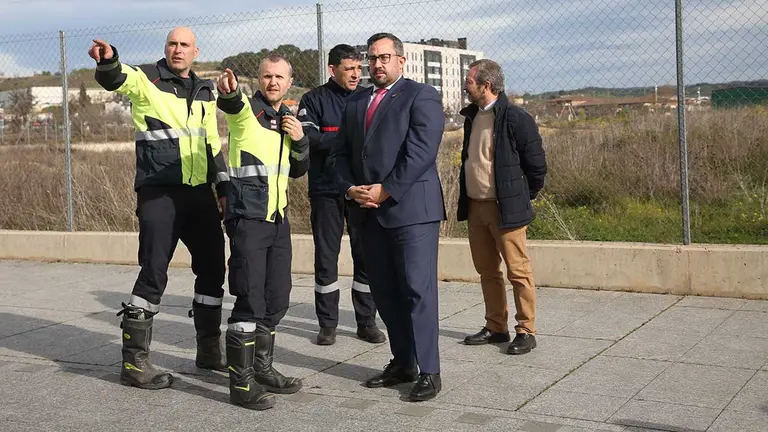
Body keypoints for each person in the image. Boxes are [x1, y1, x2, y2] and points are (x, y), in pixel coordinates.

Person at [88, 27, 229, 390]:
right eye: (172, 44)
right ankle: (134, 363)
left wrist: (224, 187)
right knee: (154, 271)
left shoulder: (205, 90)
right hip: (159, 193)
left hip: (199, 194)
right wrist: (109, 61)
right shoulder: (147, 78)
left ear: (196, 51)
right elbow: (118, 79)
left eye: (184, 45)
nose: (177, 50)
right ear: (165, 48)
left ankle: (209, 351)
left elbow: (212, 142)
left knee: (214, 269)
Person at [331, 33, 446, 402]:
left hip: (411, 211)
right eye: (372, 58)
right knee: (385, 291)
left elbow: (421, 151)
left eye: (384, 57)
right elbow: (339, 156)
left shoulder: (421, 95)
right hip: (367, 213)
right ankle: (403, 363)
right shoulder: (356, 102)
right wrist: (351, 189)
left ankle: (429, 370)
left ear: (401, 60)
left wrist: (386, 189)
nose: (377, 64)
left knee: (417, 290)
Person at [216, 54, 309, 410]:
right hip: (249, 219)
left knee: (277, 297)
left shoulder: (286, 118)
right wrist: (229, 91)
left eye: (279, 77)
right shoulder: (248, 112)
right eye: (267, 76)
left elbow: (299, 170)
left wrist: (300, 140)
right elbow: (232, 103)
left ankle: (263, 368)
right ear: (260, 80)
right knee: (250, 299)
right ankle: (240, 384)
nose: (273, 82)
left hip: (278, 219)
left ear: (288, 82)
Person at [457, 59, 547, 355]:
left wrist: (519, 197)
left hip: (505, 208)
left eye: (470, 81)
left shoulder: (516, 118)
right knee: (487, 271)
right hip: (476, 207)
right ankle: (497, 327)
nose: (465, 85)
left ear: (486, 85)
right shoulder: (471, 117)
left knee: (518, 271)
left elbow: (537, 167)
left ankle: (526, 330)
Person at [297, 44, 385, 346]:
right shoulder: (313, 99)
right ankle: (328, 324)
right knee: (326, 257)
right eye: (349, 69)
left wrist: (335, 139)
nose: (356, 74)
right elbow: (309, 136)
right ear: (332, 70)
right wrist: (348, 139)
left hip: (360, 190)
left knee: (366, 256)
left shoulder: (366, 98)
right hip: (325, 189)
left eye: (359, 69)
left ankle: (366, 322)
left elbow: (377, 137)